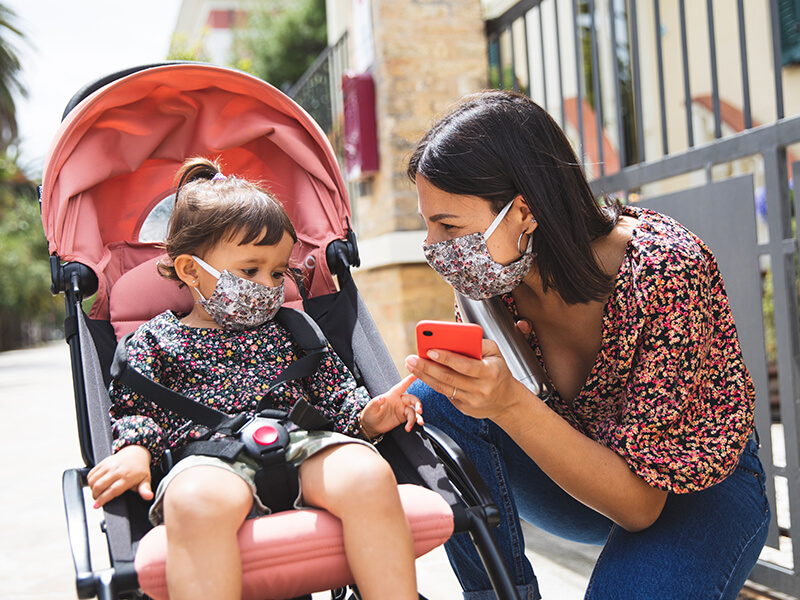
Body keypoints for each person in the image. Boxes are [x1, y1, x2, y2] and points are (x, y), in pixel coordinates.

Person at [403, 90, 770, 600]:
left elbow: (642, 506)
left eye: (447, 225)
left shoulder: (666, 270)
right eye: (427, 224)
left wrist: (509, 402)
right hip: (579, 478)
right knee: (439, 395)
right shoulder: (494, 283)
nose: (432, 247)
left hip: (696, 489)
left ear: (522, 212)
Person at [87, 158, 423, 600]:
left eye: (278, 272)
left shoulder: (295, 330)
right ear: (190, 270)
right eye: (250, 271)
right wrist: (134, 450)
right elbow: (135, 409)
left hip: (306, 443)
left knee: (368, 475)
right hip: (206, 458)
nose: (268, 285)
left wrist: (368, 417)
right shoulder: (153, 341)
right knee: (193, 504)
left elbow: (336, 397)